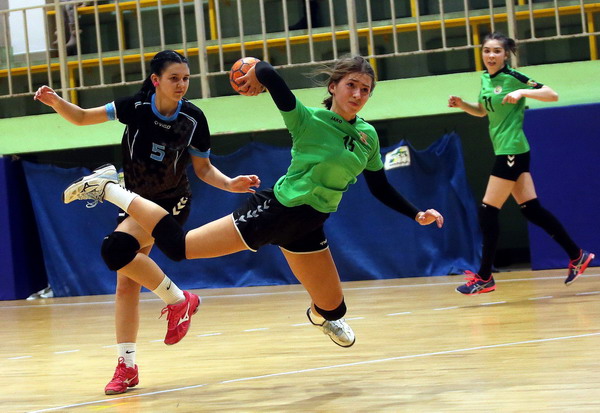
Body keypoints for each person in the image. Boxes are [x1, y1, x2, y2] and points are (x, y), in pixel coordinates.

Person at [61, 54, 444, 349]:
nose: (358, 95)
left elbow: (379, 186)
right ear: (334, 87)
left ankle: (321, 316)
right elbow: (273, 80)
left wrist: (416, 214)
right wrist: (255, 69)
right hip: (274, 212)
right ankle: (109, 187)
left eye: (365, 90)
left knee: (334, 310)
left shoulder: (368, 137)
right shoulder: (307, 119)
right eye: (351, 86)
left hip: (309, 226)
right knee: (178, 248)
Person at [34, 50, 260, 395]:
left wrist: (230, 184)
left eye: (186, 78)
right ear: (156, 80)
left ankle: (178, 300)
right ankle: (127, 366)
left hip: (171, 203)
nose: (181, 85)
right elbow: (81, 118)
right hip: (135, 200)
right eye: (174, 78)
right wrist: (55, 102)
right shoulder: (135, 108)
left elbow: (203, 169)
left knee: (115, 250)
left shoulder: (193, 119)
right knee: (125, 284)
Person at [448, 32, 594, 295]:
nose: (491, 55)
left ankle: (484, 277)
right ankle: (577, 255)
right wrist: (462, 105)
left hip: (512, 150)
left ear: (506, 55)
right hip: (506, 150)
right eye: (487, 50)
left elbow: (552, 94)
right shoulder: (485, 79)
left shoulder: (513, 77)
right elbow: (482, 111)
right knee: (531, 210)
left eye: (497, 51)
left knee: (488, 211)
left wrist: (522, 91)